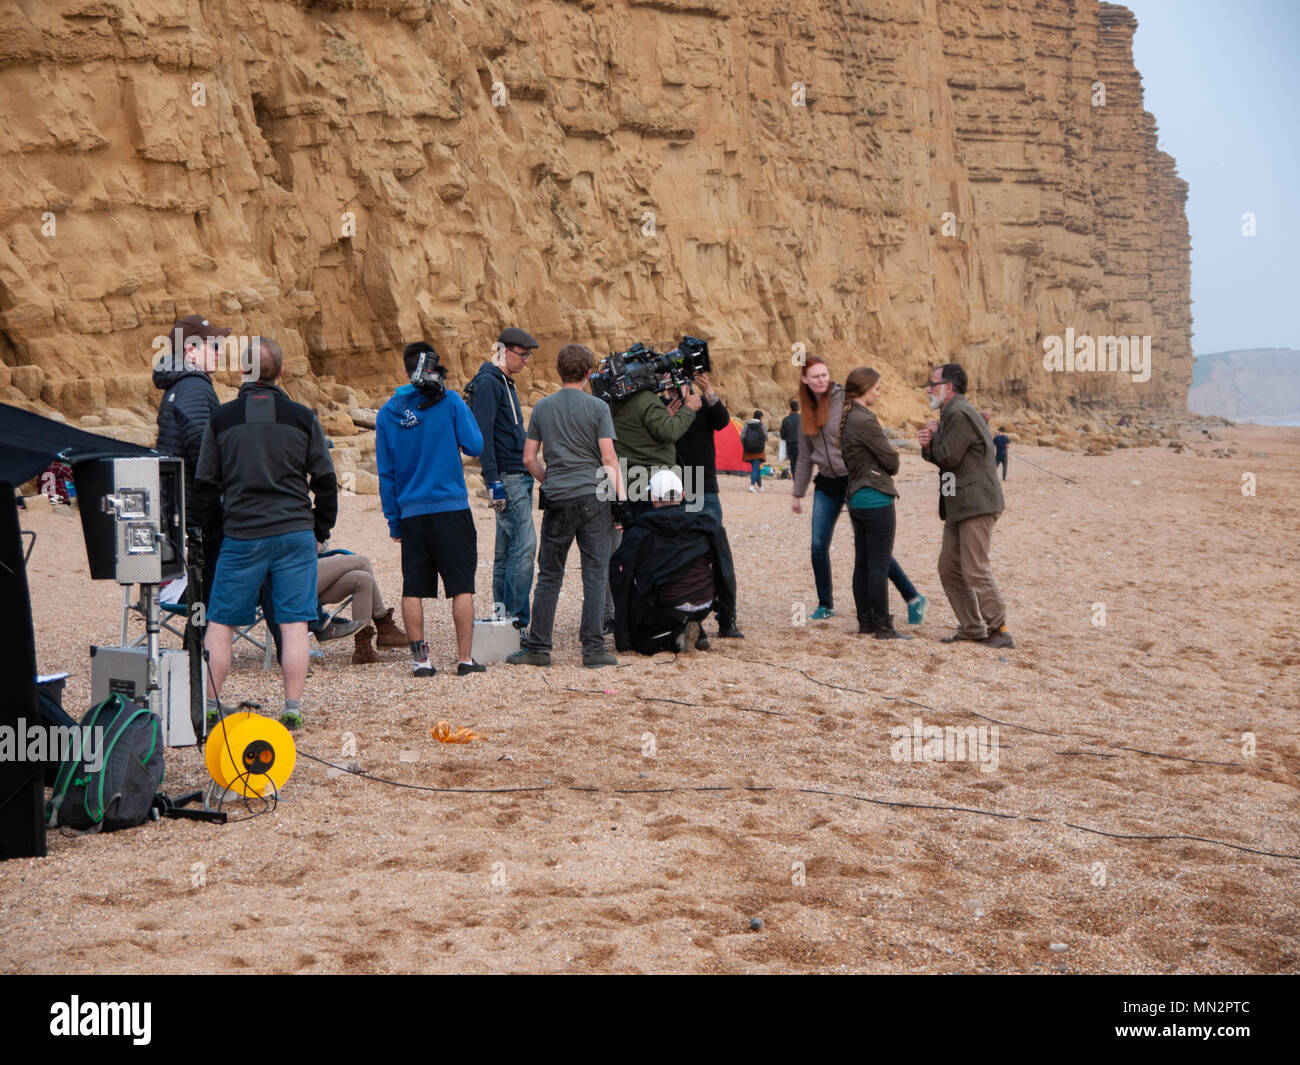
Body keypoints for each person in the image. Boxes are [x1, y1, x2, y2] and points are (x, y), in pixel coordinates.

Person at [194, 337, 337, 730]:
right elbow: (325, 479)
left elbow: (205, 484)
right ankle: (291, 708)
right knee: (293, 624)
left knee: (221, 622)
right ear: (282, 372)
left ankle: (209, 707)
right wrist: (320, 527)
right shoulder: (301, 416)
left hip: (243, 535)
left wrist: (204, 535)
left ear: (242, 371)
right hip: (294, 532)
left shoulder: (222, 419)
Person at [506, 344, 621, 669]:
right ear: (588, 373)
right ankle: (593, 649)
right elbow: (608, 457)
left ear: (560, 371)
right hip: (593, 499)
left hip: (557, 498)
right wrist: (620, 501)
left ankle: (539, 647)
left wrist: (548, 479)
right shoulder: (599, 407)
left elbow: (529, 457)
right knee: (595, 572)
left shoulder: (543, 407)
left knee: (550, 575)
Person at [377, 341, 486, 677]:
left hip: (412, 513)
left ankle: (421, 661)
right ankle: (464, 659)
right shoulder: (449, 401)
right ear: (433, 367)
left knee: (414, 588)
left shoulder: (387, 412)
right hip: (451, 507)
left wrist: (394, 522)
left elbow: (386, 474)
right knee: (462, 586)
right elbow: (475, 445)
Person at [791, 356, 927, 624]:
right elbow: (805, 456)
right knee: (818, 545)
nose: (821, 380)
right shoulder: (806, 410)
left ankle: (912, 597)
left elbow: (863, 431)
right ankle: (825, 604)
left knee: (870, 550)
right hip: (827, 483)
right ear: (805, 380)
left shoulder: (844, 401)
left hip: (854, 480)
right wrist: (798, 492)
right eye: (815, 376)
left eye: (825, 374)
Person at [918, 362, 1013, 648]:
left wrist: (931, 439)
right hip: (961, 503)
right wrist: (930, 441)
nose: (928, 389)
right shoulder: (952, 412)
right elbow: (945, 456)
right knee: (949, 567)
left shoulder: (958, 412)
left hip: (976, 502)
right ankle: (973, 628)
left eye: (932, 384)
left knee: (975, 568)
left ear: (948, 386)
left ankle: (1000, 630)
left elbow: (948, 457)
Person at [609, 470, 738, 655]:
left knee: (642, 641)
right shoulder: (707, 523)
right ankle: (695, 629)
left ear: (652, 498)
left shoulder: (640, 531)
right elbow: (726, 572)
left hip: (668, 605)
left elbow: (621, 578)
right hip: (705, 602)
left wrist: (623, 640)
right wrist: (727, 620)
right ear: (683, 495)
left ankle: (676, 636)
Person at [467, 327, 537, 630]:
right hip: (508, 478)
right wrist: (492, 480)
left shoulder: (503, 382)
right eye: (522, 355)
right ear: (503, 351)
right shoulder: (489, 383)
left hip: (514, 476)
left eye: (528, 356)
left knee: (507, 551)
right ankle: (517, 623)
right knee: (523, 548)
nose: (526, 361)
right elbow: (483, 436)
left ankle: (503, 620)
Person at [839, 368, 911, 640]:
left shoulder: (849, 418)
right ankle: (883, 625)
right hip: (875, 496)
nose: (879, 393)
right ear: (865, 389)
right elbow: (892, 462)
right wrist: (886, 462)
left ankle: (866, 621)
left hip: (857, 497)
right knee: (878, 565)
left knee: (863, 563)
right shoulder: (865, 420)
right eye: (877, 388)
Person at [673, 372, 744, 640]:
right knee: (684, 555)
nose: (674, 390)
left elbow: (723, 421)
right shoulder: (661, 409)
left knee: (718, 553)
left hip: (701, 484)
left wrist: (709, 391)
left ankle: (727, 618)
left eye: (678, 384)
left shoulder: (701, 406)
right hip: (676, 489)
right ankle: (692, 616)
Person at [610, 372, 701, 522]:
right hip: (653, 486)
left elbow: (640, 434)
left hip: (631, 485)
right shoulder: (646, 399)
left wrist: (665, 417)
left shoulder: (616, 403)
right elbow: (670, 432)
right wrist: (689, 408)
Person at [742, 410, 767, 491]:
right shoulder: (762, 425)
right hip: (759, 450)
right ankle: (752, 486)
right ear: (760, 417)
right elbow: (766, 437)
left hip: (748, 450)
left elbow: (742, 436)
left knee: (756, 468)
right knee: (755, 468)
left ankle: (760, 486)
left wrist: (745, 445)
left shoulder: (747, 425)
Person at [780, 399, 801, 475]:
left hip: (790, 445)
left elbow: (782, 435)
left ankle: (796, 482)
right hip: (801, 445)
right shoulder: (803, 419)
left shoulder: (785, 420)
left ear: (790, 408)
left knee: (793, 464)